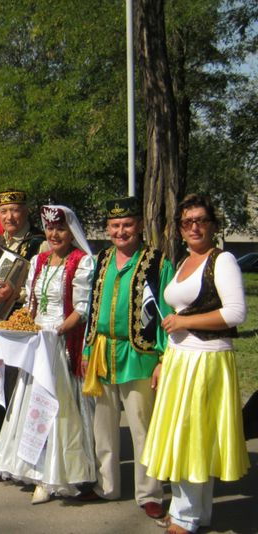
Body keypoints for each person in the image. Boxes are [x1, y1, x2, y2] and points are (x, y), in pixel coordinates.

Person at [142, 194, 249, 534]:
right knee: (189, 437)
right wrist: (164, 358)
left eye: (201, 220)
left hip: (205, 360)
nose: (194, 227)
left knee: (190, 436)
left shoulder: (223, 260)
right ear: (180, 229)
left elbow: (236, 312)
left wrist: (187, 322)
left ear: (213, 225)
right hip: (179, 358)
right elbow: (173, 317)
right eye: (187, 222)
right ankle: (195, 513)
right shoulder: (184, 259)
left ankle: (185, 516)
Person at [0, 205, 95, 504]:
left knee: (55, 406)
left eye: (60, 228)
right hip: (37, 341)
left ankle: (53, 474)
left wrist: (57, 332)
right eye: (50, 229)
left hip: (59, 342)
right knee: (28, 403)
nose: (54, 234)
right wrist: (22, 325)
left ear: (71, 231)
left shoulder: (82, 262)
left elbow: (82, 309)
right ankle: (28, 464)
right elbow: (31, 301)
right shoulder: (39, 260)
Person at [80, 196, 173, 519]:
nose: (121, 231)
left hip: (140, 354)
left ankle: (149, 493)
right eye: (115, 226)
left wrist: (164, 358)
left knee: (142, 426)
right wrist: (88, 348)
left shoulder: (158, 263)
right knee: (103, 425)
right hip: (103, 351)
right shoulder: (103, 258)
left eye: (127, 225)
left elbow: (167, 311)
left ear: (139, 227)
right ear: (107, 228)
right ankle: (106, 485)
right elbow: (93, 307)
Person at [0, 190, 48, 419]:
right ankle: (2, 440)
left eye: (14, 210)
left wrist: (17, 294)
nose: (9, 217)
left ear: (25, 212)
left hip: (25, 324)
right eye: (3, 211)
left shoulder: (39, 243)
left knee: (22, 385)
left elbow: (44, 286)